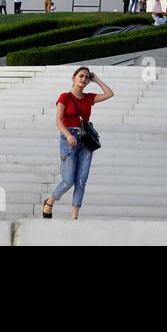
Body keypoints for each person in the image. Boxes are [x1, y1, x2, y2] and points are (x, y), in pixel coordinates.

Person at [43, 68, 114, 219]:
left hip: (86, 141)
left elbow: (110, 94)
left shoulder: (89, 98)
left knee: (81, 180)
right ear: (73, 78)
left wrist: (97, 80)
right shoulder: (65, 97)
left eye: (87, 78)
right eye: (81, 76)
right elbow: (58, 121)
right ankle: (49, 202)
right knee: (68, 180)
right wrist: (68, 135)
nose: (83, 79)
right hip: (69, 138)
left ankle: (74, 217)